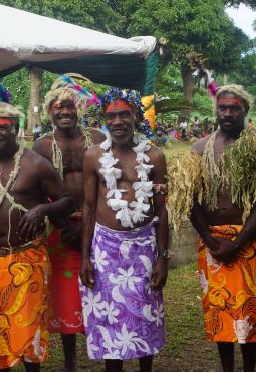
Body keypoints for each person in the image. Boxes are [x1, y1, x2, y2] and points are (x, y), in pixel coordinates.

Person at [0, 102, 75, 371]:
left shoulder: (35, 165)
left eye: (2, 128)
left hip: (28, 258)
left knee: (28, 332)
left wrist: (43, 209)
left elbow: (68, 201)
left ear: (16, 130)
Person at [169, 85, 256, 372]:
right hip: (212, 241)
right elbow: (190, 201)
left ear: (245, 111)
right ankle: (227, 368)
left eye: (234, 108)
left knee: (251, 308)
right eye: (222, 108)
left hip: (248, 241)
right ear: (216, 110)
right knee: (219, 310)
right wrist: (209, 239)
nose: (227, 113)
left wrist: (238, 243)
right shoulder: (200, 149)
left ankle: (248, 368)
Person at [79, 89, 169, 372]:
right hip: (105, 247)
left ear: (135, 117)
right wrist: (85, 258)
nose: (117, 121)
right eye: (111, 116)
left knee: (145, 315)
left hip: (143, 246)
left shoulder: (154, 156)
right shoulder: (93, 156)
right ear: (104, 121)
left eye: (124, 114)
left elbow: (161, 209)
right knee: (109, 319)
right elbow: (89, 208)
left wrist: (163, 257)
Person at [33, 86, 106, 371]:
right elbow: (38, 192)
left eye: (71, 106)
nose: (65, 111)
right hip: (60, 228)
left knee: (99, 288)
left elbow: (107, 186)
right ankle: (70, 362)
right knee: (64, 295)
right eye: (58, 106)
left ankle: (105, 349)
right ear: (50, 110)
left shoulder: (98, 140)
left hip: (98, 222)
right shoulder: (42, 146)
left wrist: (90, 223)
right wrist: (64, 227)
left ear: (80, 109)